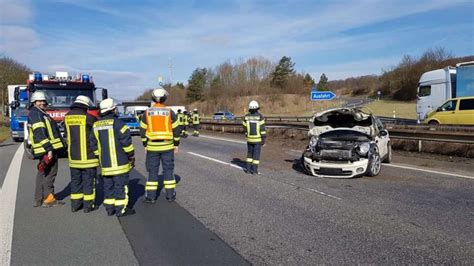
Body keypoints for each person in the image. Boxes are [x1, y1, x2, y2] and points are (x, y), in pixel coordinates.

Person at [91, 98, 136, 217]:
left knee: (108, 187)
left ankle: (109, 209)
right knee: (121, 187)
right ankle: (121, 210)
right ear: (113, 109)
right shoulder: (119, 124)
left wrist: (99, 156)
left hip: (105, 164)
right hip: (120, 164)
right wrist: (131, 156)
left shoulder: (96, 125)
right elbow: (126, 144)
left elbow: (93, 145)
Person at [140, 87, 181, 204]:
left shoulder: (147, 112)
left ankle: (151, 197)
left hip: (152, 147)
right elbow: (176, 130)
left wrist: (145, 144)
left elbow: (142, 130)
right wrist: (176, 144)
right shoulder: (169, 112)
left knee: (152, 171)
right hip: (167, 146)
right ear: (164, 98)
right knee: (168, 170)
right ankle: (170, 196)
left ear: (153, 98)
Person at [27, 91, 66, 207]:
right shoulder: (37, 114)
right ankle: (48, 199)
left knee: (42, 173)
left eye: (43, 101)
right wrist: (49, 149)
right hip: (46, 149)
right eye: (39, 101)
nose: (42, 103)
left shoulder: (39, 113)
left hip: (44, 149)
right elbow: (39, 133)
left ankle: (38, 199)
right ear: (34, 102)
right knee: (50, 174)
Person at [64, 95, 99, 213]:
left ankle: (75, 205)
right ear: (85, 106)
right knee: (88, 181)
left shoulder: (67, 117)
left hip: (73, 157)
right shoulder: (89, 118)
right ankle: (88, 206)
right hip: (88, 157)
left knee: (75, 182)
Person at [242, 100, 266, 175]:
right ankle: (254, 171)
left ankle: (248, 170)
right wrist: (263, 139)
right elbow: (262, 129)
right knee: (256, 155)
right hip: (257, 139)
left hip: (249, 139)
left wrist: (246, 134)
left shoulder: (246, 116)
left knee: (249, 154)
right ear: (257, 108)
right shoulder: (260, 116)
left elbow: (244, 127)